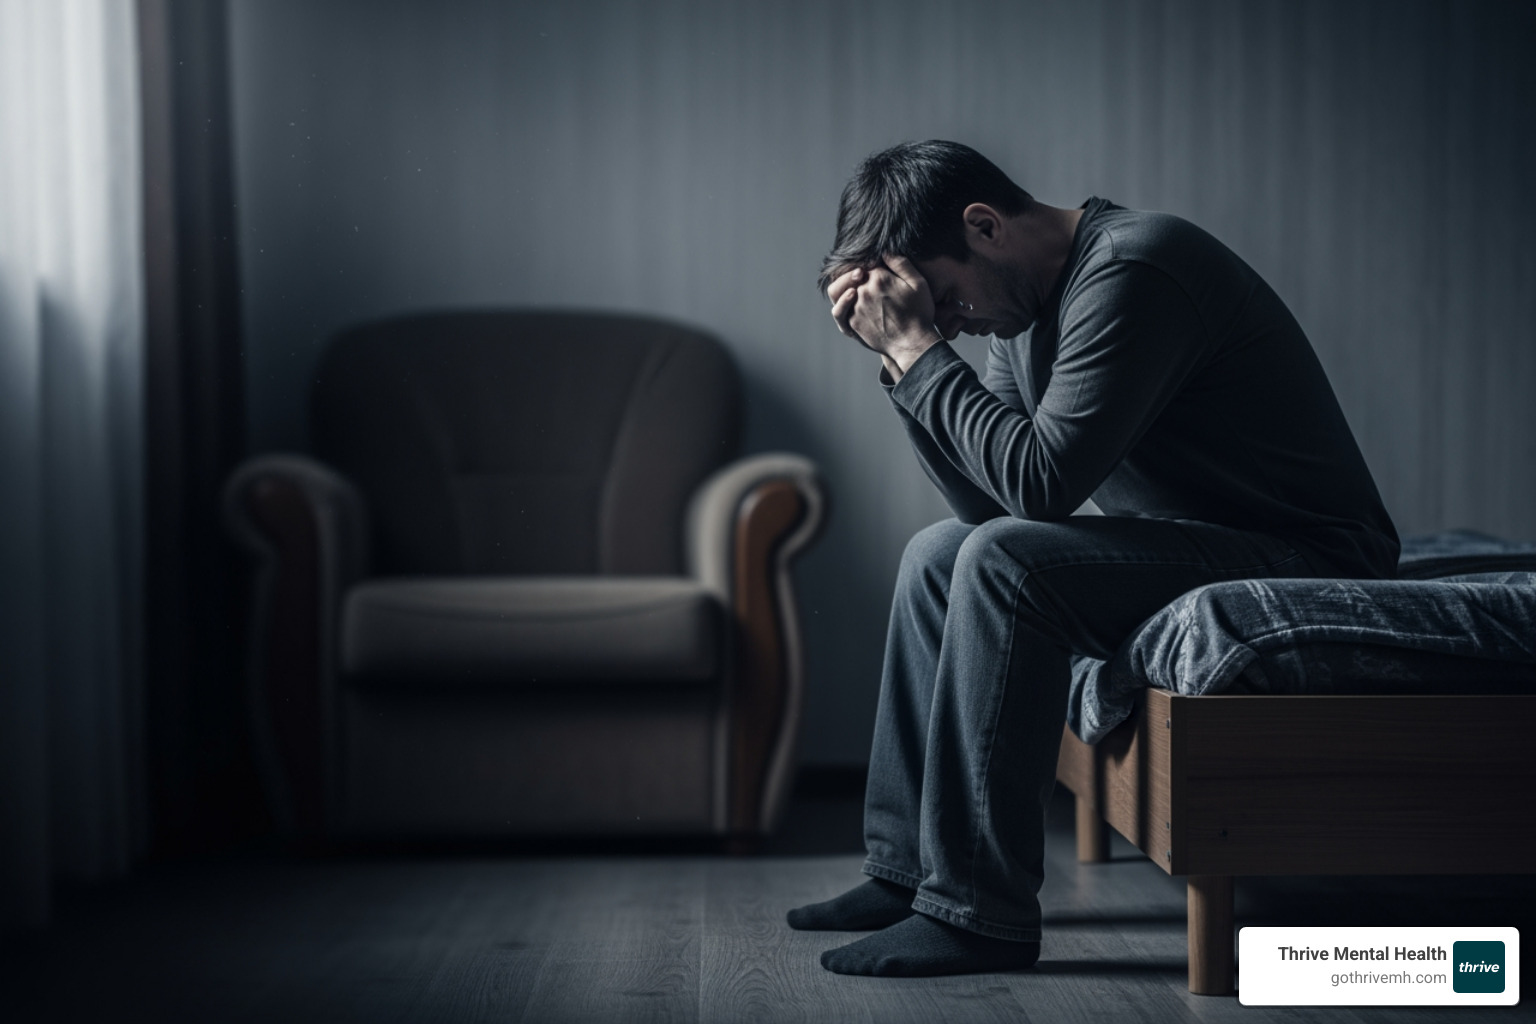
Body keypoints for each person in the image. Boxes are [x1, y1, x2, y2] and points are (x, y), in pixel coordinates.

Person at [786, 140, 1399, 977]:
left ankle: (978, 913)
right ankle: (906, 875)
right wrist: (903, 366)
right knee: (941, 553)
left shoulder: (1136, 267)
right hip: (1200, 543)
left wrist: (923, 355)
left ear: (984, 225)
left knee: (1009, 565)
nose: (954, 327)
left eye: (947, 304)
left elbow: (1037, 494)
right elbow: (990, 503)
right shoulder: (1021, 309)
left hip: (1308, 555)